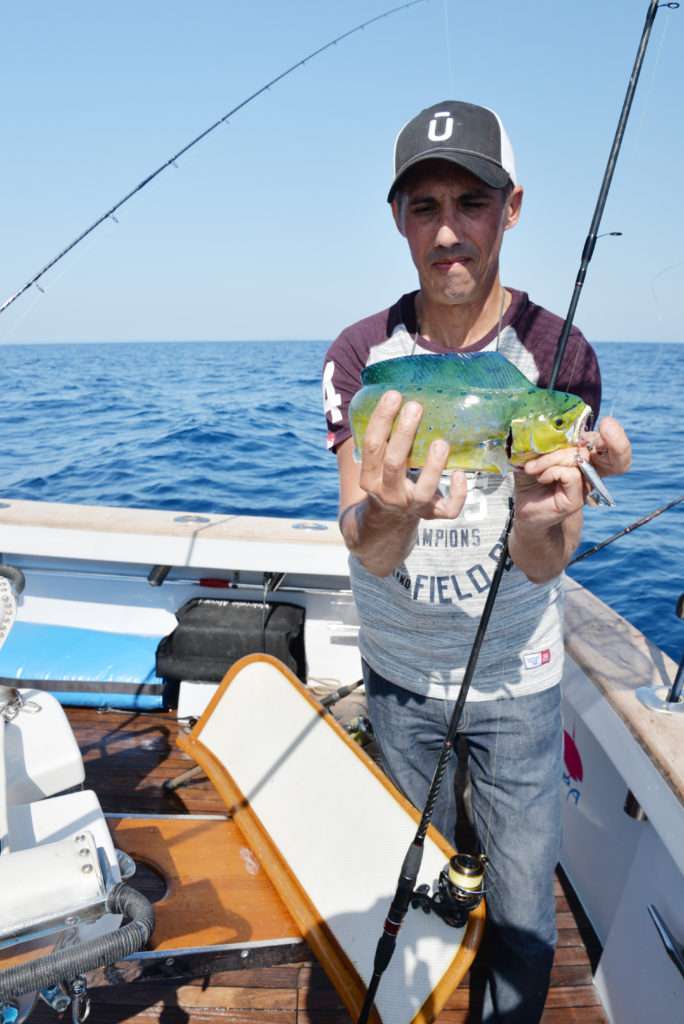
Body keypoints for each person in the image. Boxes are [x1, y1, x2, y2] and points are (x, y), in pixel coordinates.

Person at [322, 100, 631, 1023]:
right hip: (398, 680)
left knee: (523, 915)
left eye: (472, 202)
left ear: (512, 207)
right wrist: (388, 512)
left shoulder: (558, 354)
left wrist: (547, 513)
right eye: (425, 206)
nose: (449, 230)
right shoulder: (358, 358)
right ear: (398, 218)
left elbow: (545, 564)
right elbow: (365, 548)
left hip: (520, 684)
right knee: (413, 894)